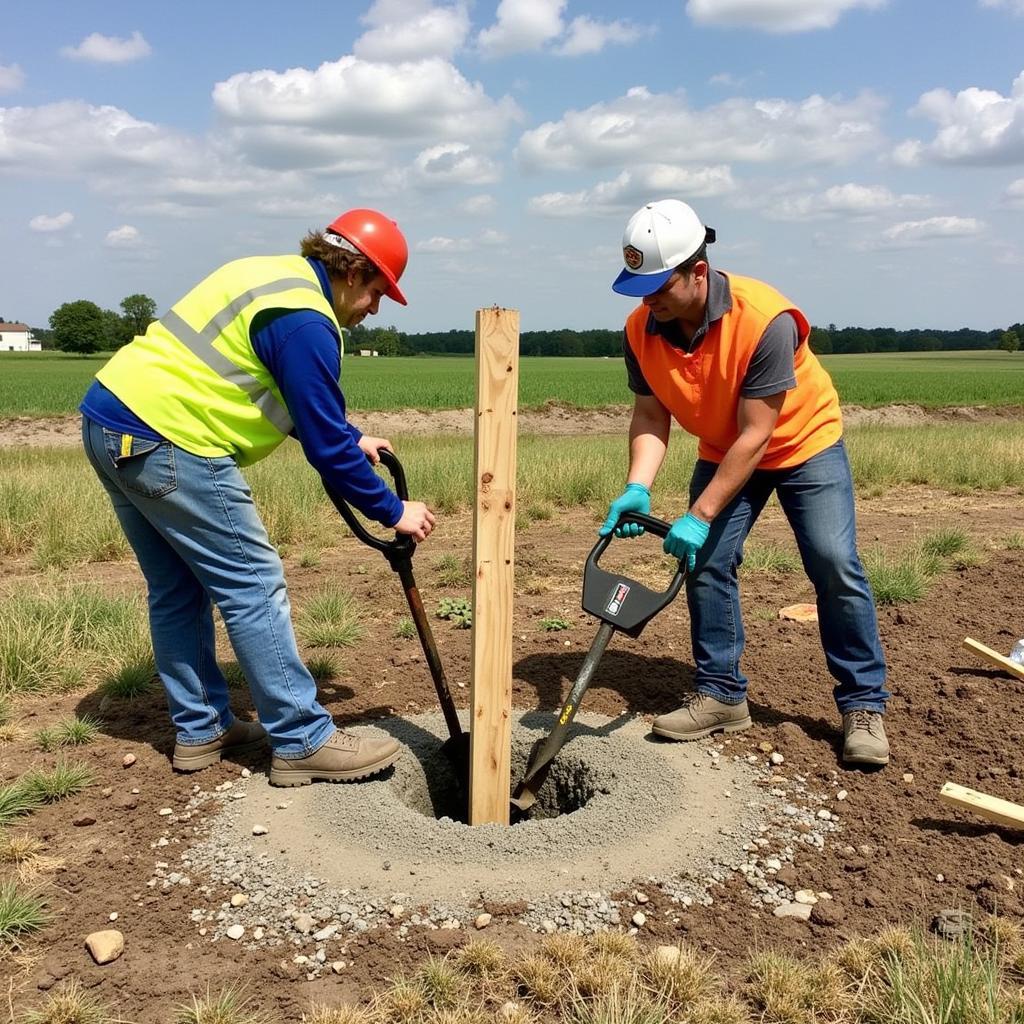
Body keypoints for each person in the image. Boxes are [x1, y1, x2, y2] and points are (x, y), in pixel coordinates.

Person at [80, 209, 436, 785]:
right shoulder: (306, 321)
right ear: (353, 271)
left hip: (112, 422)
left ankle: (202, 729)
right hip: (176, 439)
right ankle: (300, 738)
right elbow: (325, 447)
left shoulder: (269, 277)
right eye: (376, 292)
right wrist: (394, 511)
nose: (374, 308)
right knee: (253, 584)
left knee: (177, 588)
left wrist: (352, 435)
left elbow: (260, 386)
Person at [600, 199, 889, 766]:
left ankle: (863, 704)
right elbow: (652, 415)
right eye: (640, 285)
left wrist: (699, 515)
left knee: (833, 562)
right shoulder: (642, 329)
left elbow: (757, 434)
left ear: (698, 272)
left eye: (659, 285)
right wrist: (637, 486)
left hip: (803, 443)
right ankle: (722, 695)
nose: (647, 298)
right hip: (721, 446)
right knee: (705, 562)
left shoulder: (765, 319)